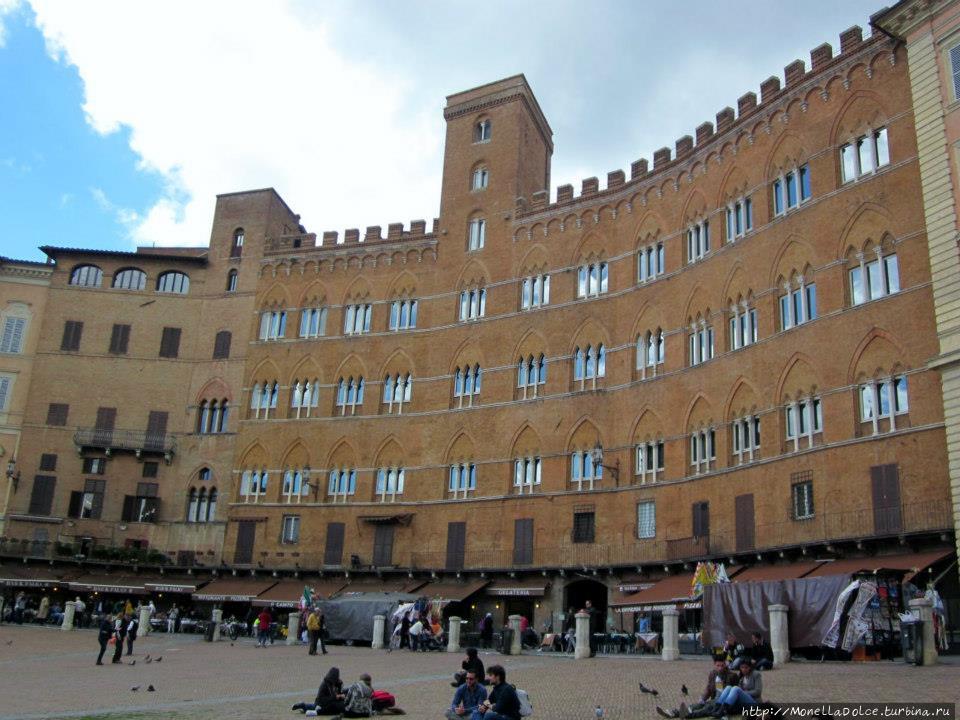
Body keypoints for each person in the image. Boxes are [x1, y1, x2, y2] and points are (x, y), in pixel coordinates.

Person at [656, 656, 733, 719]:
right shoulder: (712, 674)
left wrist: (721, 684)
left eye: (722, 665)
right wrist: (702, 698)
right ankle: (673, 713)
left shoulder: (731, 676)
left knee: (705, 708)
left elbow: (729, 693)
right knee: (697, 705)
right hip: (713, 700)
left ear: (725, 664)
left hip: (722, 702)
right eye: (718, 666)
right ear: (714, 664)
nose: (720, 668)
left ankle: (688, 715)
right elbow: (709, 688)